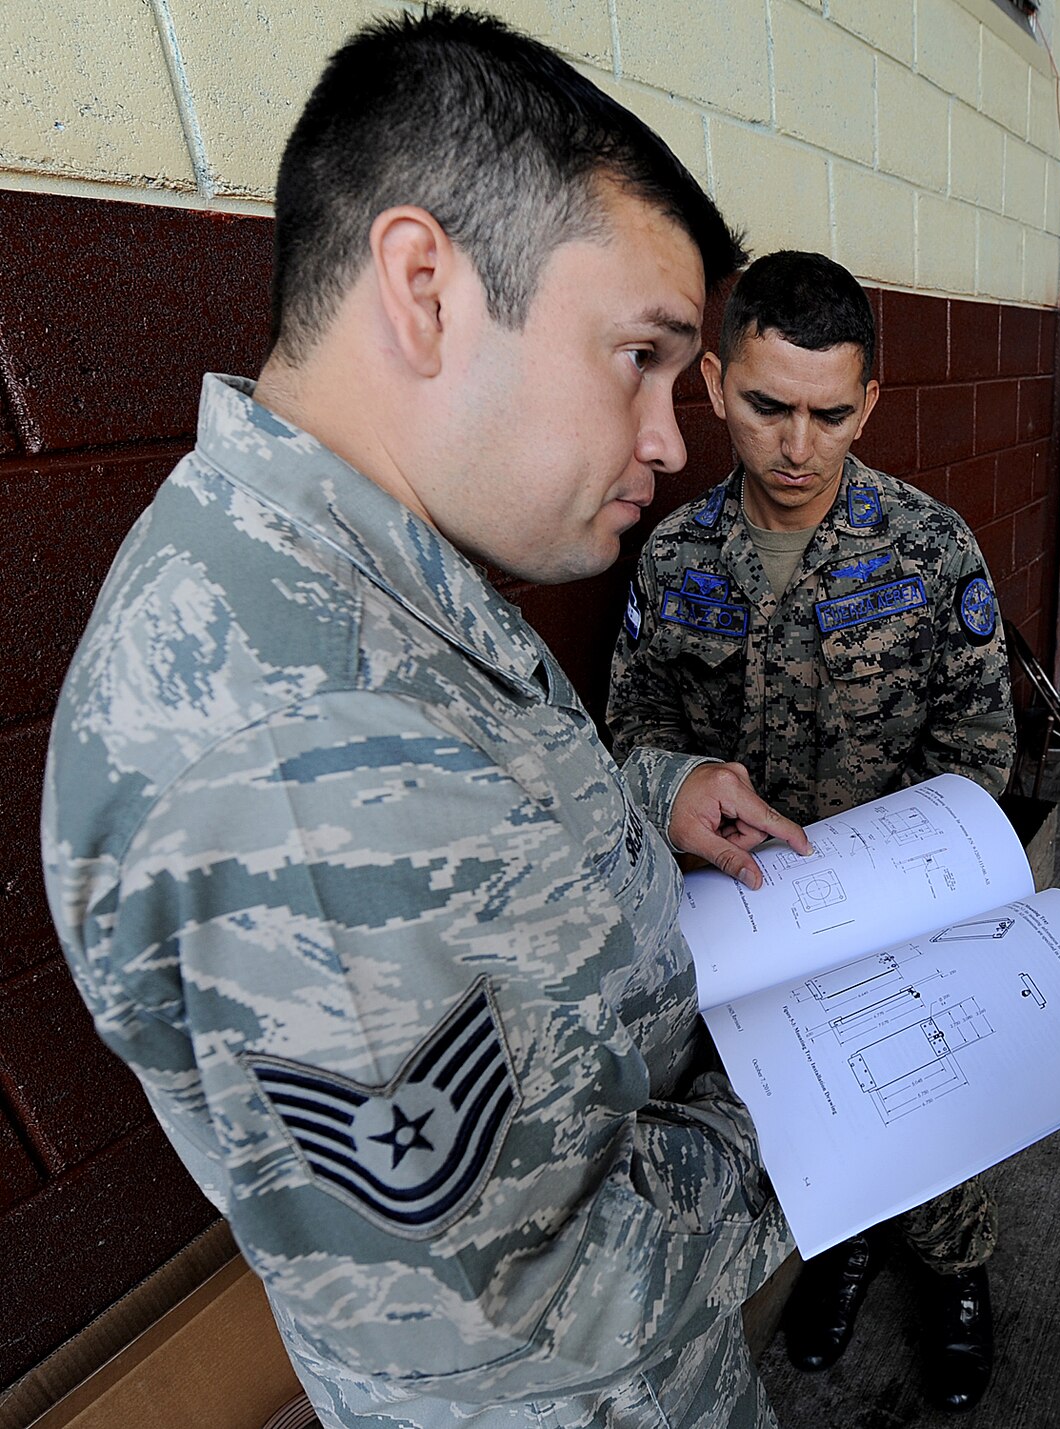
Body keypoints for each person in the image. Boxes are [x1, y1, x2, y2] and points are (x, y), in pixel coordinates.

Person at [40, 13, 815, 1429]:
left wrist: (645, 797)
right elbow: (519, 1317)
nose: (673, 439)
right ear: (424, 284)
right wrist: (826, 1112)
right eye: (641, 355)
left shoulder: (351, 572)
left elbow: (468, 814)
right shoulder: (281, 758)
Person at [606, 250, 1014, 1411]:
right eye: (768, 406)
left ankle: (954, 1271)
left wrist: (899, 876)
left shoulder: (929, 550)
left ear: (869, 402)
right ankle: (838, 1245)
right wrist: (678, 777)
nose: (796, 446)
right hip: (745, 919)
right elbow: (630, 727)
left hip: (901, 910)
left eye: (830, 414)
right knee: (807, 1114)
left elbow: (978, 740)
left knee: (926, 1102)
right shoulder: (676, 557)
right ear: (717, 385)